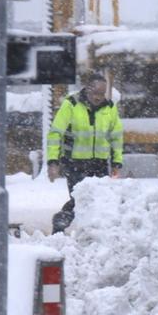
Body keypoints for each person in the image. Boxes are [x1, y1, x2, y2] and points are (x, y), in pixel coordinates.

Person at [46, 74, 124, 232]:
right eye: (96, 93)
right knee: (79, 199)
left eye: (102, 93)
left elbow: (116, 136)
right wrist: (53, 161)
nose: (99, 97)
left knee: (98, 199)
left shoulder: (109, 107)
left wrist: (117, 162)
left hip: (99, 163)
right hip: (75, 162)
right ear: (87, 90)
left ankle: (95, 233)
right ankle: (60, 224)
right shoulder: (71, 104)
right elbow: (55, 134)